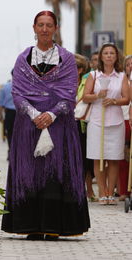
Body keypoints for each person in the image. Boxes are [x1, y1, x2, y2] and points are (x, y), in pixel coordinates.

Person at [1, 11, 90, 240]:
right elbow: (17, 92)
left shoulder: (67, 58)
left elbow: (70, 93)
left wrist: (51, 114)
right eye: (40, 25)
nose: (44, 29)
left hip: (59, 124)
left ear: (56, 28)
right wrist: (34, 114)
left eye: (49, 25)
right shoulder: (23, 58)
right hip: (28, 126)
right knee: (30, 172)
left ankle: (53, 226)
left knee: (55, 172)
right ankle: (31, 225)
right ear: (34, 28)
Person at [83, 43, 129, 205]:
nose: (109, 55)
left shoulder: (121, 76)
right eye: (106, 53)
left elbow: (126, 98)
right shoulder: (94, 75)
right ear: (101, 57)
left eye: (112, 53)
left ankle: (111, 192)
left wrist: (114, 100)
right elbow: (85, 96)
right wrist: (98, 95)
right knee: (98, 158)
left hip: (116, 122)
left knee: (114, 158)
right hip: (97, 121)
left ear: (116, 57)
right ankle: (102, 192)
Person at [74, 54, 96, 201]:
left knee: (85, 159)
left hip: (83, 124)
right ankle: (76, 189)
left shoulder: (86, 81)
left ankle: (89, 190)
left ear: (80, 69)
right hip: (67, 124)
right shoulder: (64, 82)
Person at [118, 55, 132, 201]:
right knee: (123, 157)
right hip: (123, 120)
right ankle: (123, 191)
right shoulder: (121, 81)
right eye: (128, 64)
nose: (131, 66)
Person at [0, 70, 16, 153]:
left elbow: (0, 103)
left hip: (9, 113)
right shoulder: (24, 86)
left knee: (10, 133)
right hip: (20, 114)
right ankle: (16, 151)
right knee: (20, 133)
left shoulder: (5, 87)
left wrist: (0, 115)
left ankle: (10, 150)